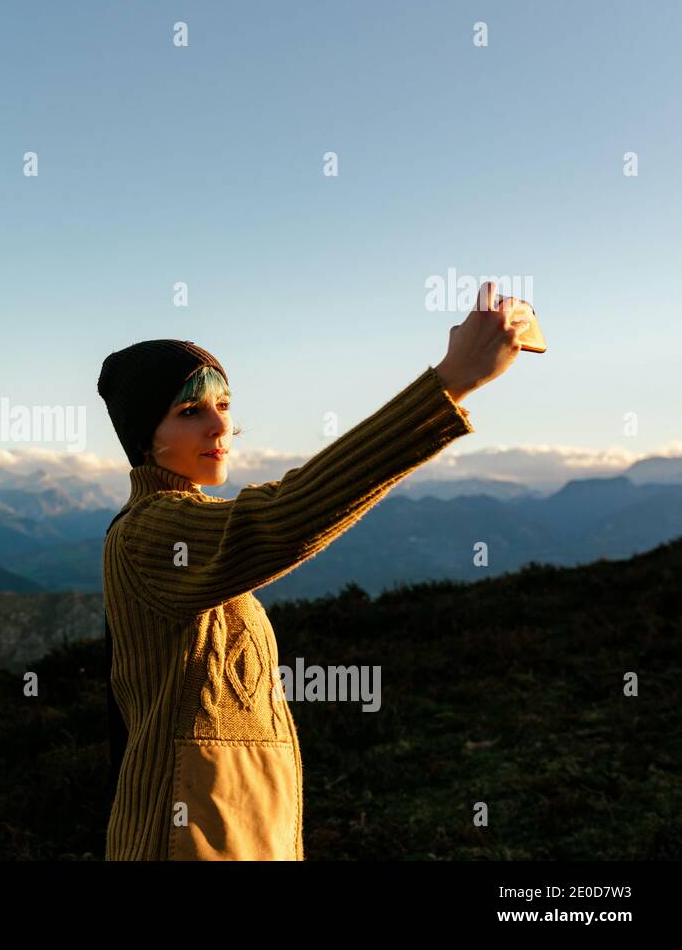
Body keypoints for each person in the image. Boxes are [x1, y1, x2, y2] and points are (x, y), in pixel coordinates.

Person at [96, 281, 533, 860]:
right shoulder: (148, 533)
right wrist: (450, 382)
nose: (220, 427)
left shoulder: (182, 525)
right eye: (189, 411)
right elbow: (281, 518)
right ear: (144, 439)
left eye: (223, 405)